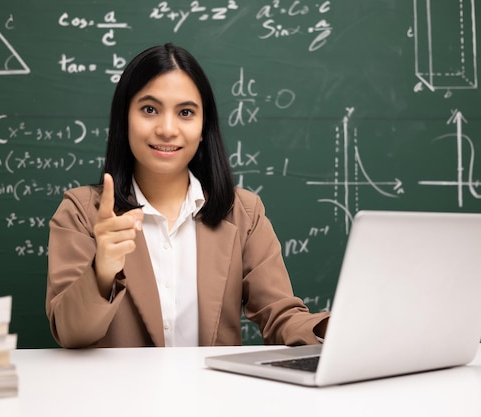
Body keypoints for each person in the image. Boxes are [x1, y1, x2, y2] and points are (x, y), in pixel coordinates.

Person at [45, 43, 329, 348]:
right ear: (124, 118)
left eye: (185, 113)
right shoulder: (81, 211)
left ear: (204, 126)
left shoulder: (244, 212)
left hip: (213, 394)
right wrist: (102, 270)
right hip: (121, 394)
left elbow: (281, 317)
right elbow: (70, 334)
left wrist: (334, 329)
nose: (167, 129)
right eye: (149, 109)